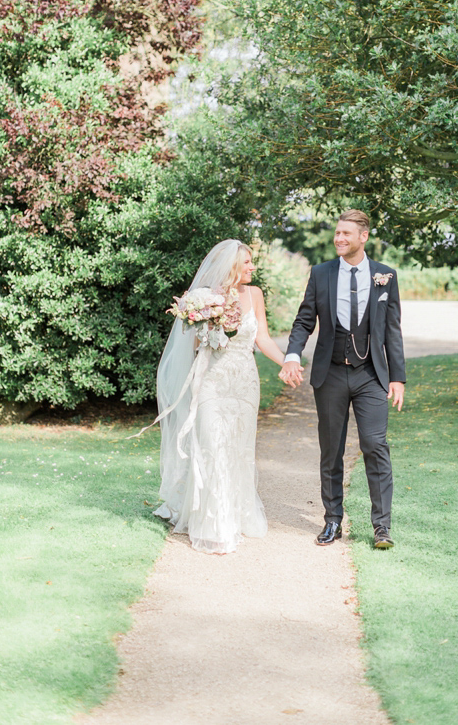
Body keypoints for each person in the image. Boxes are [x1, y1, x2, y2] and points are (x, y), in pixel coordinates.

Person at [280, 209, 406, 550]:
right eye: (337, 233)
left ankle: (382, 528)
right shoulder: (321, 274)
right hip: (331, 372)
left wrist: (398, 379)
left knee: (375, 445)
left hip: (371, 376)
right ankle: (332, 520)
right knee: (331, 449)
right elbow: (305, 320)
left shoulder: (385, 276)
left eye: (346, 234)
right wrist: (292, 355)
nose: (339, 238)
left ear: (363, 237)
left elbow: (392, 331)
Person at [154, 240, 289, 554]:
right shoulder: (203, 299)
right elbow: (188, 348)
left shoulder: (254, 295)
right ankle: (214, 526)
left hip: (244, 382)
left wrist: (288, 362)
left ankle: (237, 514)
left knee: (239, 448)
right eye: (247, 263)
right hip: (213, 382)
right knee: (214, 448)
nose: (252, 268)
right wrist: (208, 335)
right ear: (231, 267)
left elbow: (263, 337)